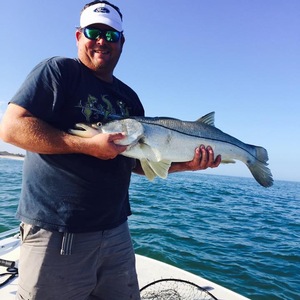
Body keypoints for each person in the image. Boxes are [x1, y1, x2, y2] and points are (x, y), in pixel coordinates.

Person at [0, 1, 221, 299]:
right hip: (57, 231)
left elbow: (135, 162)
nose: (102, 41)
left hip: (117, 231)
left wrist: (186, 165)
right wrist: (85, 145)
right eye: (94, 32)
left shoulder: (129, 97)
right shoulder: (58, 71)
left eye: (111, 35)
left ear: (122, 41)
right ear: (79, 36)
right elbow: (11, 129)